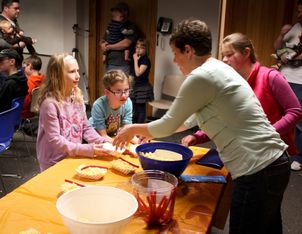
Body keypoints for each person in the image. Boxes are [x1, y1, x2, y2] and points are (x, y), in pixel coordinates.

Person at [113, 18, 290, 234]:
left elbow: (168, 124)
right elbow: (187, 121)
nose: (176, 61)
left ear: (188, 50)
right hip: (275, 164)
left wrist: (133, 129)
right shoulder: (217, 69)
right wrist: (150, 131)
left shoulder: (201, 77)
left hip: (257, 169)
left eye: (176, 54)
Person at [182, 32, 302, 156]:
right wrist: (198, 136)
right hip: (242, 153)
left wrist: (267, 133)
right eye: (223, 55)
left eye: (229, 54)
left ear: (246, 52)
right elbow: (223, 120)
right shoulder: (228, 83)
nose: (224, 59)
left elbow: (295, 111)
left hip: (272, 154)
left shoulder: (271, 77)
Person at [36, 53, 111, 171]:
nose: (77, 76)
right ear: (57, 75)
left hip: (72, 155)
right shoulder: (50, 104)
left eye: (78, 70)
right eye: (72, 72)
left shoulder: (77, 96)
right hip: (53, 161)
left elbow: (85, 127)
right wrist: (88, 149)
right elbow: (55, 140)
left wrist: (102, 142)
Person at [274, 0, 302, 171]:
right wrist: (281, 34)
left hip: (300, 80)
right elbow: (277, 48)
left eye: (301, 12)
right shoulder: (294, 27)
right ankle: (279, 149)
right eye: (298, 11)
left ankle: (298, 156)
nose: (298, 15)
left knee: (298, 121)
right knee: (279, 115)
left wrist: (289, 57)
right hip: (283, 78)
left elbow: (285, 55)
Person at [0, 0, 25, 95]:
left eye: (19, 8)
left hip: (14, 64)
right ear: (6, 8)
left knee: (14, 95)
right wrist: (16, 46)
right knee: (4, 98)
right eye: (15, 8)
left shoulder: (12, 21)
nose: (18, 11)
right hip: (3, 67)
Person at [89, 70, 133, 143]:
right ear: (107, 92)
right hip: (96, 137)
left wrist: (138, 141)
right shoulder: (98, 105)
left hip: (112, 135)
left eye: (126, 90)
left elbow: (126, 130)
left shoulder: (128, 102)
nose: (124, 95)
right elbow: (103, 136)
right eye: (118, 91)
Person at [100, 2, 139, 75]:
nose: (116, 16)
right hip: (109, 63)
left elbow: (126, 44)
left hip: (122, 64)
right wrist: (102, 44)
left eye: (119, 12)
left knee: (123, 85)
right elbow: (103, 39)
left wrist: (109, 47)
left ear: (125, 12)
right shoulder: (112, 25)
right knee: (109, 85)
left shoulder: (131, 27)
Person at [130, 38, 154, 123]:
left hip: (142, 88)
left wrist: (135, 60)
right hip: (135, 86)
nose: (138, 49)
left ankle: (139, 128)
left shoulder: (145, 60)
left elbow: (138, 73)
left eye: (141, 47)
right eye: (137, 47)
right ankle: (134, 127)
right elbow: (133, 74)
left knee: (140, 109)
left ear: (146, 49)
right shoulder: (138, 59)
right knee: (134, 109)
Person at [22, 54, 44, 119]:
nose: (23, 69)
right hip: (41, 109)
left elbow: (25, 103)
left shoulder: (30, 83)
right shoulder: (44, 79)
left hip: (28, 114)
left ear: (30, 66)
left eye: (25, 67)